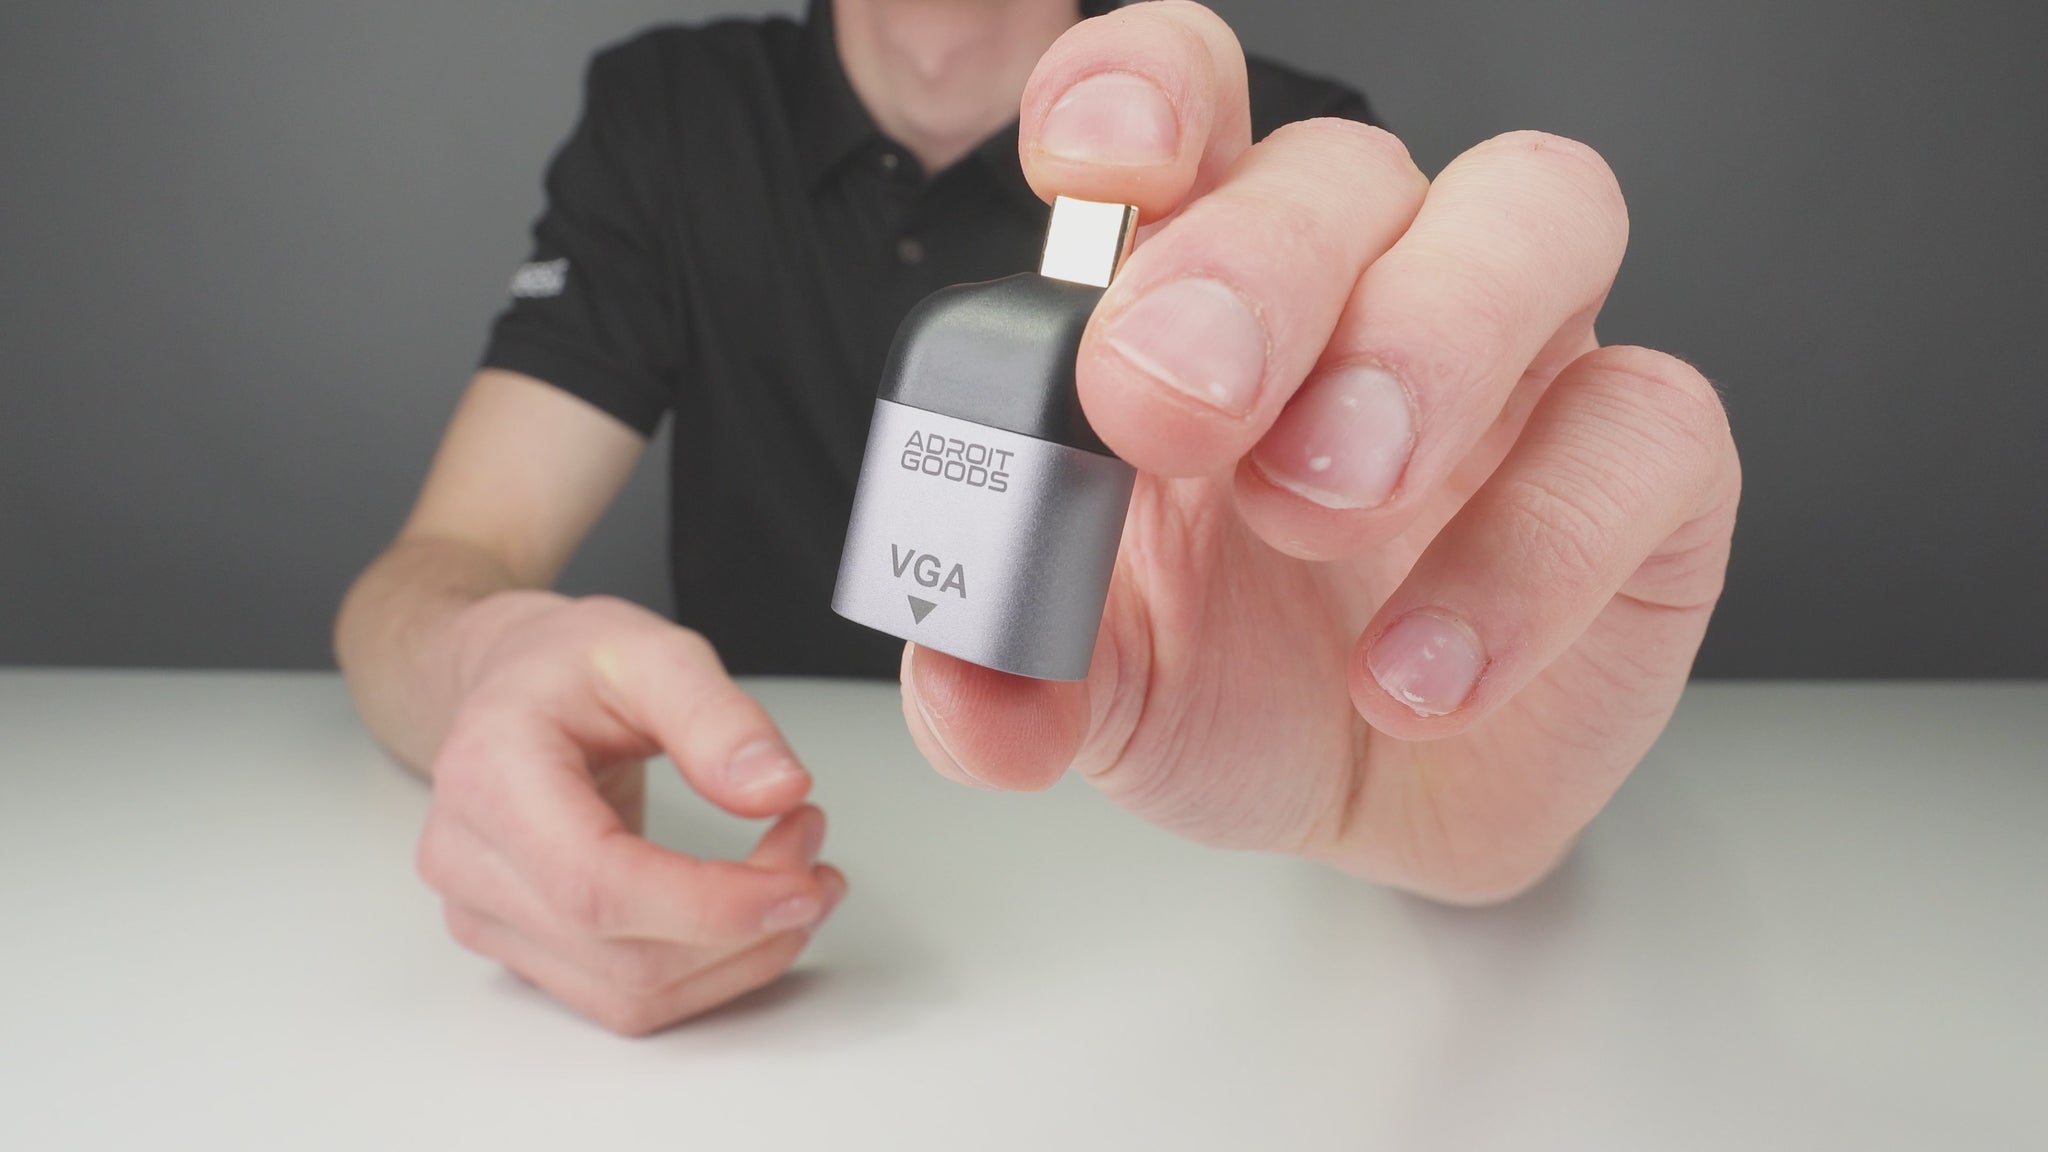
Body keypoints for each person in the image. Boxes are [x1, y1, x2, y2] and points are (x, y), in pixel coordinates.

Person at [336, 0, 1740, 1036]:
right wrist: (482, 661)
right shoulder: (674, 112)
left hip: (1175, 941)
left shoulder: (1277, 147)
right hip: (785, 890)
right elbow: (438, 570)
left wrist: (1420, 774)